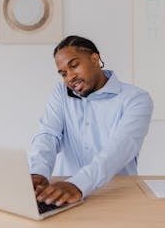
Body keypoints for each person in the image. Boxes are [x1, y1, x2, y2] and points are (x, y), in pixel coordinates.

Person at [28, 35, 153, 207]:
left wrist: (78, 184)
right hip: (62, 195)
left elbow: (121, 148)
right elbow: (48, 134)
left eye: (74, 66)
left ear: (95, 59)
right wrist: (38, 172)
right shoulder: (61, 93)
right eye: (63, 73)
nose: (70, 77)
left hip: (117, 194)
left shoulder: (136, 99)